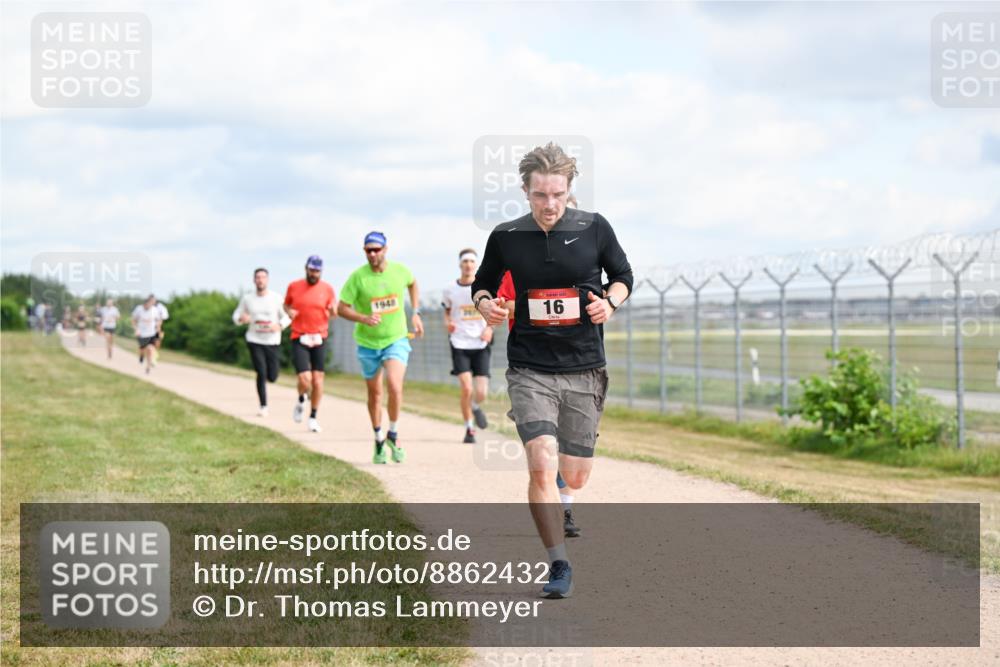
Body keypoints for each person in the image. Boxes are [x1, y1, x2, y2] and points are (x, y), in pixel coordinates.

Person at [472, 142, 633, 599]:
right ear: (525, 191)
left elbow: (623, 276)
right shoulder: (506, 235)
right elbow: (483, 283)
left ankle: (567, 490)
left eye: (558, 195)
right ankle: (558, 563)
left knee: (575, 475)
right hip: (530, 367)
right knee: (541, 460)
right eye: (540, 195)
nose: (549, 204)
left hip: (584, 367)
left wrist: (610, 302)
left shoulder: (594, 227)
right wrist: (485, 305)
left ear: (569, 190)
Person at [337, 231, 424, 464]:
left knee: (394, 385)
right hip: (368, 343)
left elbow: (413, 283)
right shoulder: (358, 278)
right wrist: (363, 318)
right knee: (375, 394)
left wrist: (415, 313)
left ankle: (393, 435)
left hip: (395, 339)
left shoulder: (399, 271)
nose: (373, 254)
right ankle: (378, 440)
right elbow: (341, 308)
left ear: (385, 249)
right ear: (364, 251)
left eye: (377, 249)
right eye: (369, 250)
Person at [442, 249, 493, 443]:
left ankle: (475, 406)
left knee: (481, 392)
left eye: (472, 261)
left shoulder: (485, 288)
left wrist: (489, 328)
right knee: (466, 388)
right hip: (459, 342)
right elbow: (447, 312)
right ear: (460, 264)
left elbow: (493, 312)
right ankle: (469, 429)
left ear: (476, 264)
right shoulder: (450, 289)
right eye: (465, 261)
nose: (468, 265)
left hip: (480, 342)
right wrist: (448, 323)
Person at [284, 255, 337, 433]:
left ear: (321, 272)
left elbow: (334, 313)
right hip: (300, 335)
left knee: (318, 380)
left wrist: (333, 311)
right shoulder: (294, 286)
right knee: (304, 379)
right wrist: (289, 311)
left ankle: (313, 417)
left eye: (317, 271)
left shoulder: (327, 289)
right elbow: (286, 305)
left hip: (319, 337)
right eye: (312, 270)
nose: (314, 273)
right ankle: (301, 399)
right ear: (306, 269)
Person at [233, 268, 291, 417]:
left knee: (272, 376)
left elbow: (287, 317)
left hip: (272, 341)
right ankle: (263, 406)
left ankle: (270, 380)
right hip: (254, 339)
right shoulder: (247, 299)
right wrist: (241, 319)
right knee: (261, 371)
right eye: (258, 277)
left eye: (263, 277)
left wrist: (280, 325)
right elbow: (236, 315)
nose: (260, 280)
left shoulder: (276, 298)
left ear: (267, 280)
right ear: (254, 280)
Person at [131, 295, 163, 375]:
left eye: (151, 304)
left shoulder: (155, 310)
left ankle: (148, 366)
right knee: (142, 349)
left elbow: (159, 320)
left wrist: (158, 328)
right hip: (141, 333)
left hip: (151, 333)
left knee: (150, 349)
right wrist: (136, 329)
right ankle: (141, 356)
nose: (149, 306)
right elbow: (133, 320)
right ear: (145, 304)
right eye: (147, 304)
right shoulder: (139, 309)